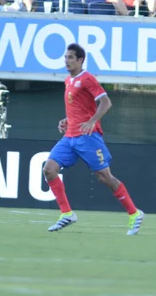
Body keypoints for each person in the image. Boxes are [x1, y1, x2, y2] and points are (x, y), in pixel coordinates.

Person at [43, 43, 144, 235]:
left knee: (104, 177)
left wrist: (92, 121)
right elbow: (79, 106)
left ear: (80, 60)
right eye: (65, 57)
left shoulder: (87, 79)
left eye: (70, 57)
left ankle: (134, 213)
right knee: (49, 169)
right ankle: (67, 213)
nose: (66, 60)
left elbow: (106, 103)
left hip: (88, 137)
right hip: (70, 136)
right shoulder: (68, 80)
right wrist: (67, 120)